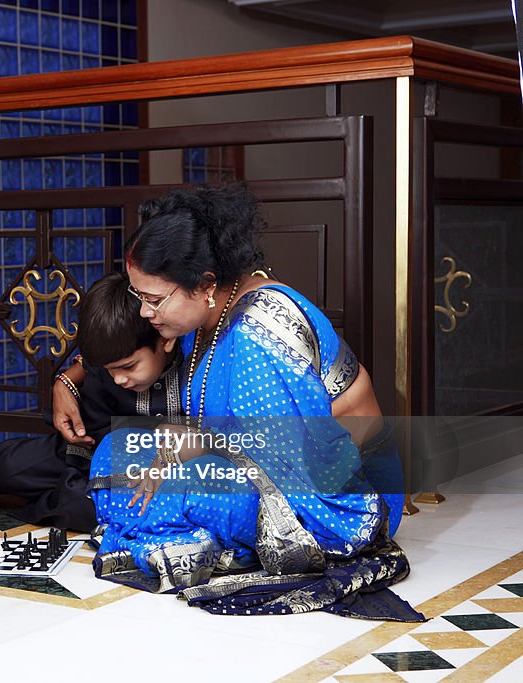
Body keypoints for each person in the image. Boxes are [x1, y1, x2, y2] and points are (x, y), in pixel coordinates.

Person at [86, 184, 417, 620]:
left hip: (341, 494)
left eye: (152, 299)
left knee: (194, 490)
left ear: (203, 285)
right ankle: (175, 534)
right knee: (115, 451)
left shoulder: (254, 334)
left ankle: (165, 531)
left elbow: (292, 462)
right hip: (263, 466)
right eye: (139, 298)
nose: (145, 314)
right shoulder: (205, 317)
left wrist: (192, 455)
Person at [0, 271, 183, 531]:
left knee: (82, 506)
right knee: (6, 468)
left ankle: (57, 499)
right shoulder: (107, 362)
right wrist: (66, 384)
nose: (118, 380)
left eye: (128, 367)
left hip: (149, 468)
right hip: (87, 453)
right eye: (110, 370)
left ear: (164, 338)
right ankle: (61, 495)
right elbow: (91, 433)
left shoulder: (192, 365)